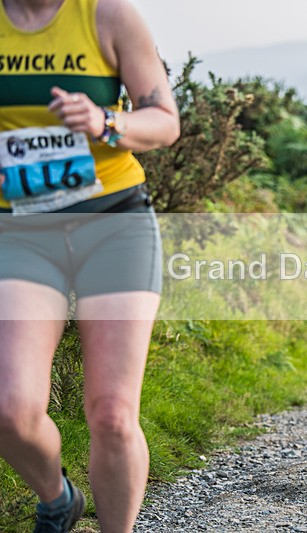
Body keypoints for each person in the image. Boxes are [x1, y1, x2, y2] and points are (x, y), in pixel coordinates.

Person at [0, 0, 179, 531]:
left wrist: (106, 120)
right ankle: (57, 498)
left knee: (112, 415)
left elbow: (164, 121)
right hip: (20, 232)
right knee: (11, 410)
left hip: (114, 223)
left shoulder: (108, 17)